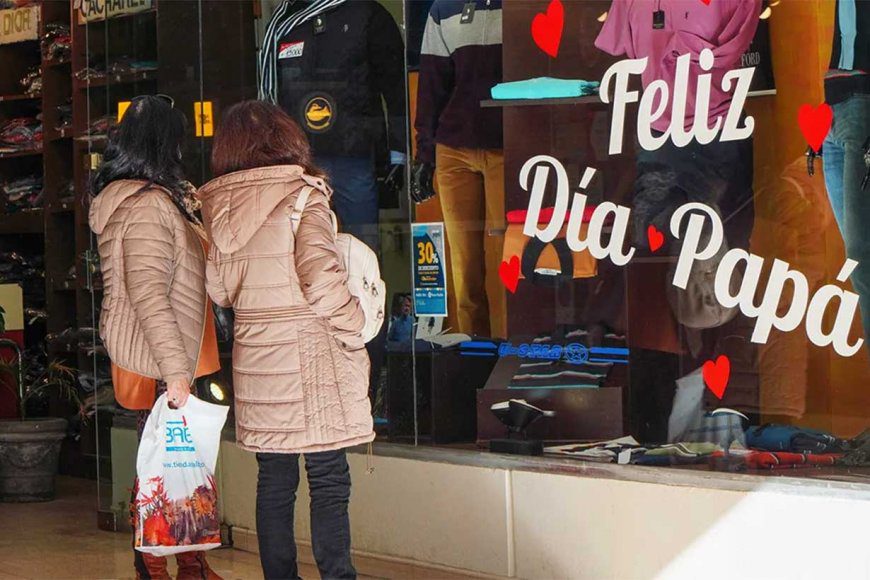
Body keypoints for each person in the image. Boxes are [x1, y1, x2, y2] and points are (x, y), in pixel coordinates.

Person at [198, 100, 373, 580]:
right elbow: (320, 279)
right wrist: (353, 322)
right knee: (329, 481)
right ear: (288, 139)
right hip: (312, 354)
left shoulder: (216, 208)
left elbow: (219, 289)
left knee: (274, 484)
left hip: (257, 360)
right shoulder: (302, 195)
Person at [88, 95, 222, 580]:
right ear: (167, 144)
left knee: (178, 463)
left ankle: (188, 560)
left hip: (176, 352)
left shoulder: (159, 198)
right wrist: (175, 374)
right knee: (163, 466)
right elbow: (148, 293)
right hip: (160, 357)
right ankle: (159, 565)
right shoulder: (145, 205)